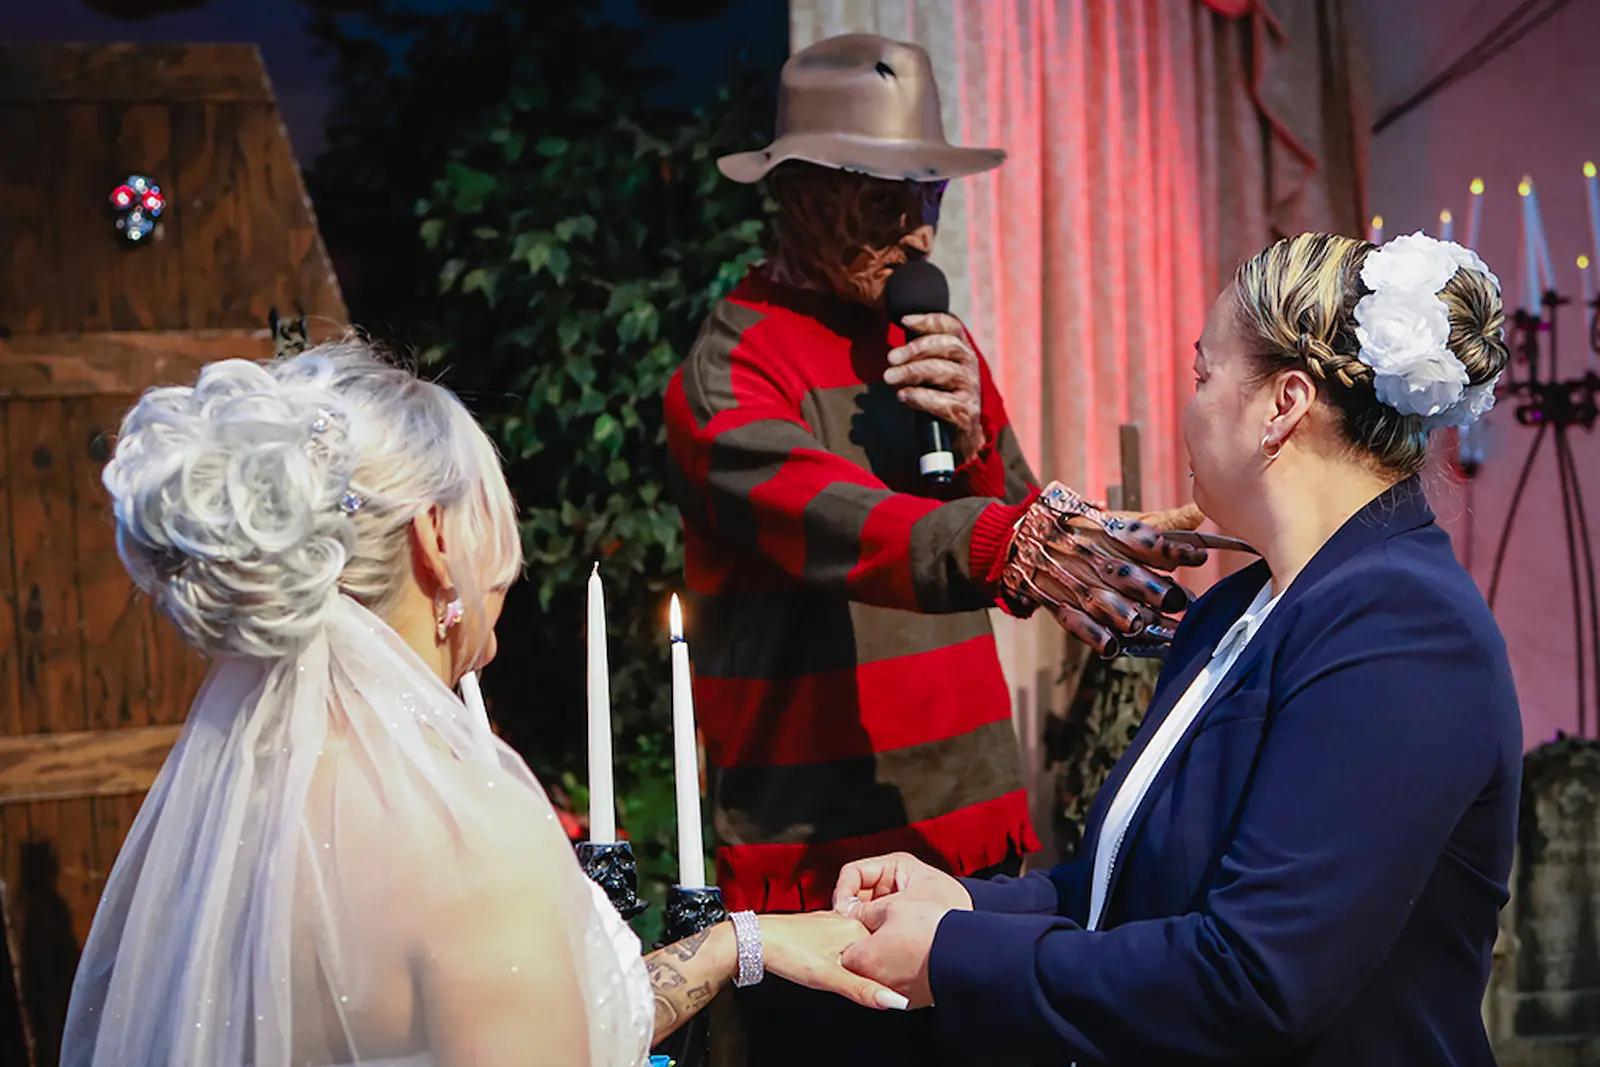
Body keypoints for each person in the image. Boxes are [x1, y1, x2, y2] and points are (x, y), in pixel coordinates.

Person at [59, 341, 904, 1067]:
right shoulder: (466, 839)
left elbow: (563, 1018)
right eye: (494, 512)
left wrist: (737, 942)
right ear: (435, 538)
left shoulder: (228, 812)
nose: (510, 558)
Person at [834, 232, 1522, 1066]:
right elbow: (1133, 890)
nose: (1187, 407)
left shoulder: (1402, 631)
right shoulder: (1241, 607)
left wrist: (954, 954)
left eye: (1203, 376)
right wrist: (964, 907)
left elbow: (1253, 979)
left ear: (1284, 405)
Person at [665, 31, 1205, 1066]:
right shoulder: (728, 371)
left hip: (974, 833)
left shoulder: (926, 334)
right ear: (799, 191)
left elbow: (1012, 511)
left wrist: (982, 445)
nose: (917, 230)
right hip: (814, 860)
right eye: (883, 198)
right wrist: (1006, 536)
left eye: (930, 193)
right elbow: (839, 523)